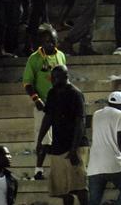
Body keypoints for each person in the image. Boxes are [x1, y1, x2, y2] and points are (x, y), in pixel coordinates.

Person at [36, 65, 88, 205]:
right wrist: (40, 140)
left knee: (79, 187)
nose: (53, 80)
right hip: (58, 145)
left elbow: (80, 123)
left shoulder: (76, 94)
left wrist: (73, 150)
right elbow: (48, 117)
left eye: (56, 77)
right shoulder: (53, 93)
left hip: (75, 145)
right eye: (52, 78)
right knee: (63, 190)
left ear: (66, 77)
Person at [22, 24, 66, 180]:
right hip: (43, 105)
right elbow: (27, 83)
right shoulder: (34, 58)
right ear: (41, 42)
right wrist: (36, 99)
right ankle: (38, 170)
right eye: (46, 41)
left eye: (52, 40)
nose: (50, 44)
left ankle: (58, 169)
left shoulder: (61, 56)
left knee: (59, 139)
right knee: (44, 140)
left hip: (59, 104)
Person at [86, 92, 121, 205]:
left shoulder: (96, 114)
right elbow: (120, 139)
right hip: (113, 161)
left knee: (94, 200)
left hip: (94, 164)